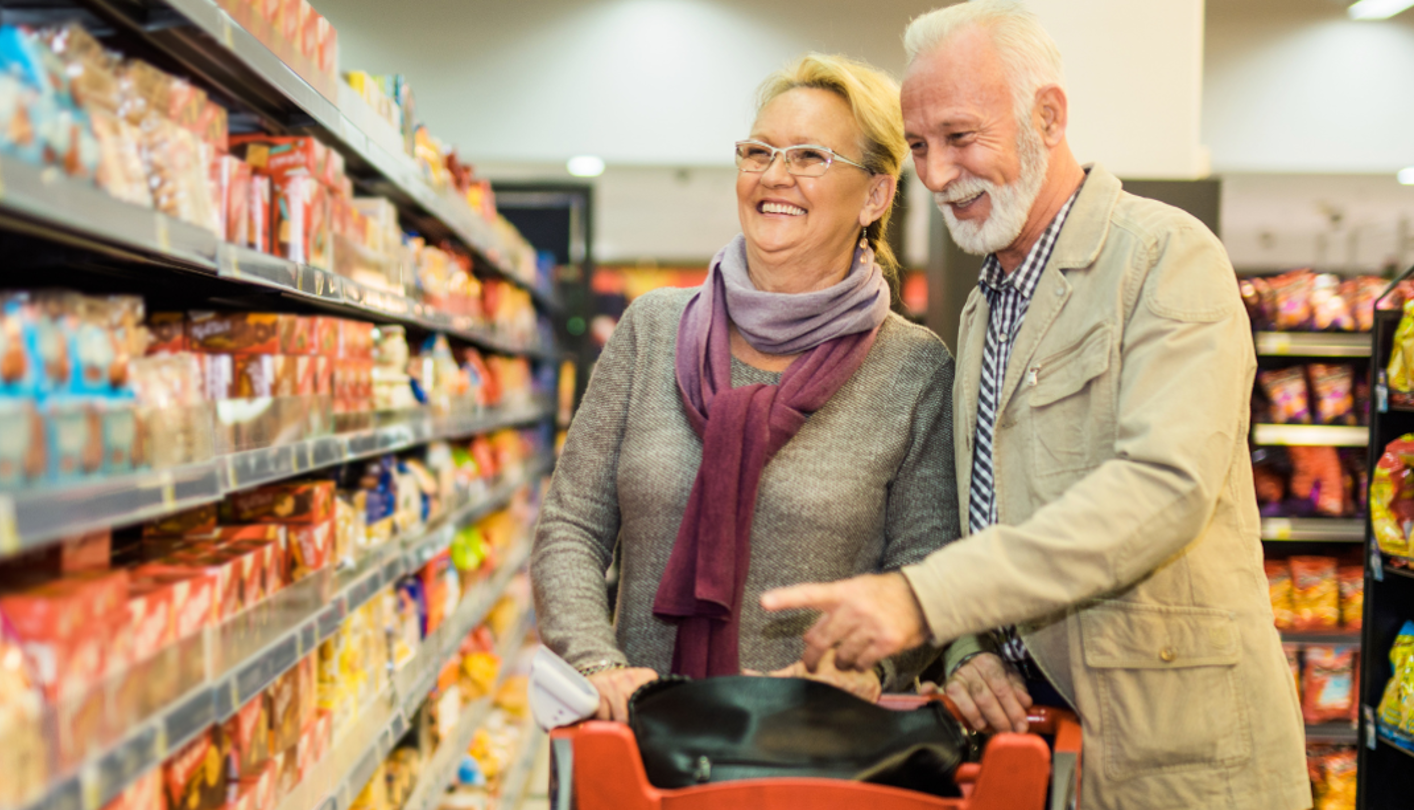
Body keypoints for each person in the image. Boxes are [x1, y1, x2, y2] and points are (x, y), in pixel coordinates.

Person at [755, 4, 1312, 808]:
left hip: (1172, 760)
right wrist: (970, 645)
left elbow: (1162, 488)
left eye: (960, 136)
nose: (939, 174)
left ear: (1048, 116)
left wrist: (923, 599)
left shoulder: (1163, 257)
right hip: (1045, 747)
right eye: (918, 147)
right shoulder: (987, 304)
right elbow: (996, 508)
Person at [530, 53, 959, 724]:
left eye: (810, 156)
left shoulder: (913, 368)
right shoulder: (651, 329)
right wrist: (596, 664)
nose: (774, 175)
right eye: (758, 151)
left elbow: (924, 569)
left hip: (818, 748)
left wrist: (868, 669)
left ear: (875, 196)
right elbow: (572, 527)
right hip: (641, 738)